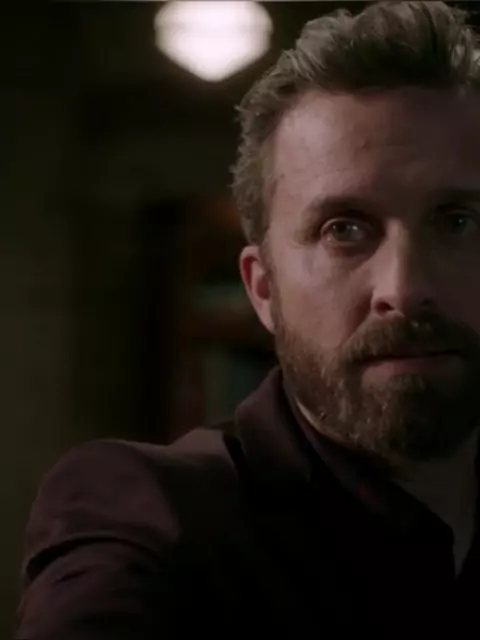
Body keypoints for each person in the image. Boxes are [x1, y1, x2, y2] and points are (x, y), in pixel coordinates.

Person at [16, 1, 480, 638]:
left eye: (459, 222)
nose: (404, 288)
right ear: (263, 289)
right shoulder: (155, 517)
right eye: (343, 230)